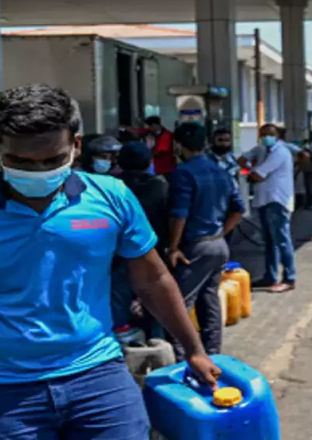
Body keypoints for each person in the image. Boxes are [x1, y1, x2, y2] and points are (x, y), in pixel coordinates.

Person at [0, 84, 221, 439]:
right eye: (20, 162)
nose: (38, 171)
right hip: (8, 391)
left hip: (97, 377)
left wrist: (194, 350)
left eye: (52, 160)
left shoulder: (111, 196)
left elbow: (152, 280)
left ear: (76, 146)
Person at [168, 122, 245, 360]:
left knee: (179, 304)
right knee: (209, 300)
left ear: (179, 145)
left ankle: (184, 358)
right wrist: (221, 233)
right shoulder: (220, 170)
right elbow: (239, 209)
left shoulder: (183, 173)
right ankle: (213, 354)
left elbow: (179, 214)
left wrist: (172, 247)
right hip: (218, 245)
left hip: (196, 246)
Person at [111, 141, 171, 337]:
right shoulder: (160, 185)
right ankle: (157, 343)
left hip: (119, 255)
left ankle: (123, 340)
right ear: (148, 162)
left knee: (119, 301)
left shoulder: (113, 187)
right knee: (155, 304)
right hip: (153, 253)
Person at [246, 123, 297, 293]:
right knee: (270, 242)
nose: (265, 137)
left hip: (277, 201)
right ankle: (270, 276)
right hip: (264, 200)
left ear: (276, 136)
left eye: (269, 134)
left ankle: (289, 278)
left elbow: (258, 175)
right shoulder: (262, 151)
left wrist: (252, 172)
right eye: (263, 134)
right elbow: (243, 160)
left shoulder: (280, 152)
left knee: (282, 240)